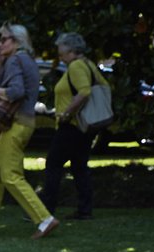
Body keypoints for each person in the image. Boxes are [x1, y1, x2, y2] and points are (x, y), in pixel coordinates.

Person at [0, 23, 59, 239]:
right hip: (20, 123)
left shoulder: (17, 59)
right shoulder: (23, 59)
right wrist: (0, 64)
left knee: (10, 175)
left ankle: (44, 219)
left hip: (17, 123)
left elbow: (16, 91)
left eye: (4, 39)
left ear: (17, 41)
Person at [40, 32, 108, 221]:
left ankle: (46, 210)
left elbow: (84, 92)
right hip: (85, 126)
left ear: (71, 50)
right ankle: (85, 210)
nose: (60, 56)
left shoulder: (77, 66)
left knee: (53, 164)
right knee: (79, 166)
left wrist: (66, 113)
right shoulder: (88, 64)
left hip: (72, 125)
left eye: (62, 52)